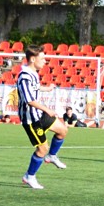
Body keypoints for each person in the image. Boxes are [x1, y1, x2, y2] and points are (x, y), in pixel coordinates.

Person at [15, 46, 69, 189]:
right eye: (42, 58)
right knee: (42, 149)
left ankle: (52, 156)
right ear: (33, 59)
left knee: (63, 130)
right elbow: (29, 100)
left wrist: (47, 88)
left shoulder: (33, 73)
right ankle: (29, 176)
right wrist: (47, 110)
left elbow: (35, 87)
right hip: (31, 120)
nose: (45, 61)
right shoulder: (24, 77)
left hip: (39, 114)